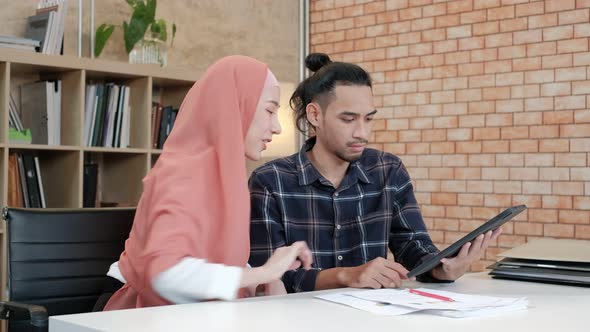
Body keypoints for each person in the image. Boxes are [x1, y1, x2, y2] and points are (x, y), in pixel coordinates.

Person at [248, 53, 501, 293]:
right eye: (349, 119)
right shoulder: (271, 181)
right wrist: (345, 275)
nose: (362, 133)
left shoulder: (388, 170)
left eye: (368, 119)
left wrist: (442, 269)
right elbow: (267, 278)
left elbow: (413, 248)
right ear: (315, 115)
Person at [102, 55, 313, 310]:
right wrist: (262, 273)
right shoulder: (182, 172)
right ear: (234, 107)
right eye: (269, 110)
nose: (277, 127)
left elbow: (212, 258)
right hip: (137, 316)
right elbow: (165, 274)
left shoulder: (223, 172)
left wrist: (258, 280)